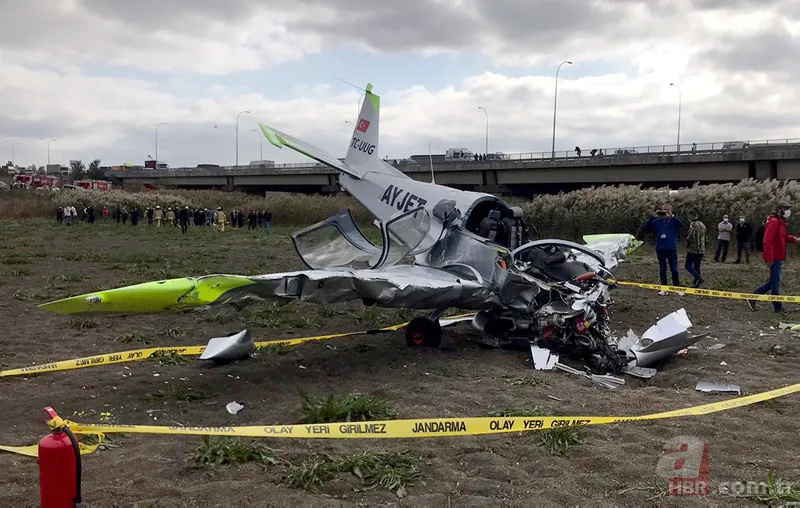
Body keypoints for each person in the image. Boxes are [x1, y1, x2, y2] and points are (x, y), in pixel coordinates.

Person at [748, 200, 797, 313]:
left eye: (788, 208)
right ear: (779, 209)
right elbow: (767, 241)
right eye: (785, 208)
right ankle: (777, 307)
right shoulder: (774, 222)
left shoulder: (781, 222)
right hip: (774, 256)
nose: (788, 211)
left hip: (779, 255)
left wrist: (794, 239)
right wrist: (768, 258)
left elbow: (782, 237)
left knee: (774, 281)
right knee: (776, 282)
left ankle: (753, 297)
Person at [643, 204, 683, 294]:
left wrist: (672, 216)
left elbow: (680, 225)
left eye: (667, 210)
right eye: (664, 210)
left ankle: (676, 288)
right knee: (662, 269)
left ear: (671, 210)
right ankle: (664, 288)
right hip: (660, 247)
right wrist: (653, 217)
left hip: (671, 248)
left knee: (674, 269)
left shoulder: (674, 221)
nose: (665, 211)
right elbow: (646, 228)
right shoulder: (658, 221)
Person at [685, 211, 707, 287]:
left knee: (688, 265)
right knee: (697, 266)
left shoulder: (693, 224)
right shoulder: (702, 225)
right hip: (701, 249)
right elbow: (705, 237)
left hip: (693, 249)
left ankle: (698, 278)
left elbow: (691, 236)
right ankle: (696, 283)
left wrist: (687, 242)